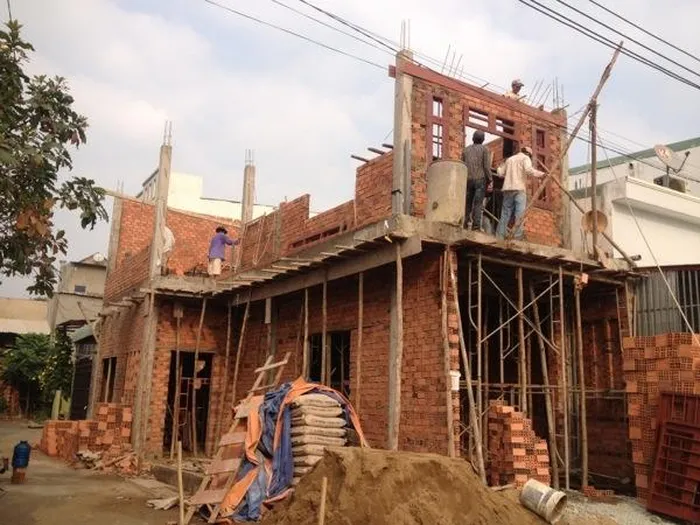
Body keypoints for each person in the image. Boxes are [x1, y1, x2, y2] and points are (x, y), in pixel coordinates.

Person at [495, 146, 545, 240]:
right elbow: (529, 170)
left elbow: (500, 173)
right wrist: (542, 174)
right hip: (519, 189)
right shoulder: (525, 158)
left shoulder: (510, 159)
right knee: (519, 214)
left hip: (508, 189)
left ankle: (500, 236)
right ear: (529, 154)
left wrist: (498, 167)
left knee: (505, 213)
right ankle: (517, 237)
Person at [462, 130, 492, 231]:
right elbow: (486, 167)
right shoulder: (485, 149)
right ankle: (476, 227)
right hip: (480, 180)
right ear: (483, 140)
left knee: (468, 203)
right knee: (478, 203)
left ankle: (465, 224)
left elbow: (463, 165)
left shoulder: (466, 150)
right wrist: (490, 179)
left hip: (468, 179)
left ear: (473, 138)